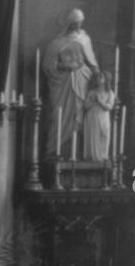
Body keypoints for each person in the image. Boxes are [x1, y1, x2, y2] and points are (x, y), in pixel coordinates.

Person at [42, 8, 99, 161]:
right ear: (70, 23)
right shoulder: (57, 43)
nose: (78, 25)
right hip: (62, 86)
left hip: (82, 81)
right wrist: (66, 67)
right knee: (59, 116)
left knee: (79, 116)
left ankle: (78, 155)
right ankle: (55, 152)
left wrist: (99, 78)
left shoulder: (84, 39)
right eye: (76, 23)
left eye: (80, 22)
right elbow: (48, 66)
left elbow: (92, 63)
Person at [82, 70, 116, 163]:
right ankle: (92, 156)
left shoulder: (110, 93)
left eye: (100, 77)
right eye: (97, 77)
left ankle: (102, 156)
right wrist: (92, 102)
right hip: (92, 117)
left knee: (104, 135)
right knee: (93, 136)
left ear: (106, 80)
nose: (98, 79)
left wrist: (100, 101)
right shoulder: (92, 92)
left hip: (103, 117)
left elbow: (109, 107)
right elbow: (85, 106)